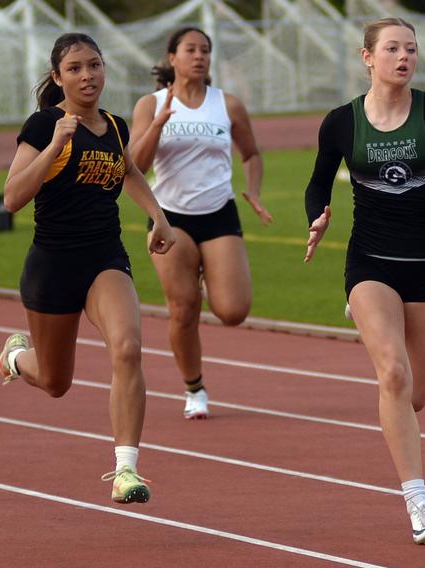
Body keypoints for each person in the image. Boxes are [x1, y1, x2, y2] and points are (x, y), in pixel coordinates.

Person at [303, 18, 425, 544]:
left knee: (417, 395)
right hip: (371, 265)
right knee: (394, 376)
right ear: (367, 57)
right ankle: (418, 502)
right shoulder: (341, 122)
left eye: (411, 48)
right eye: (391, 48)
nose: (403, 56)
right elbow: (317, 184)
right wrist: (318, 216)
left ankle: (379, 338)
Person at [0, 33, 175, 504]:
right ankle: (16, 357)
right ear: (58, 78)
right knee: (56, 383)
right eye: (74, 68)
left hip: (104, 258)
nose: (87, 75)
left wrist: (158, 215)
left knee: (129, 347)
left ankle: (125, 471)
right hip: (53, 265)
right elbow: (12, 198)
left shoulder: (114, 126)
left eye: (94, 65)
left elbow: (129, 171)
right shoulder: (42, 125)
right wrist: (54, 146)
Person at [129, 27, 272, 420]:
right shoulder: (150, 104)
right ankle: (195, 388)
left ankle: (212, 278)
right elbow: (135, 167)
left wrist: (254, 191)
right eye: (190, 50)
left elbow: (252, 153)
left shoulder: (227, 104)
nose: (199, 56)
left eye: (205, 50)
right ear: (172, 57)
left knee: (233, 311)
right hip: (169, 217)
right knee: (183, 307)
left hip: (218, 212)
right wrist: (158, 124)